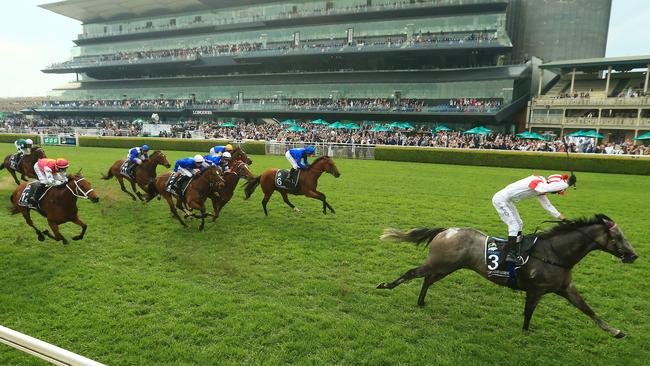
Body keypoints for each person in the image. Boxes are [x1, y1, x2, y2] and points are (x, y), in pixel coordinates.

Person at [492, 173, 577, 265]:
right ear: (553, 184)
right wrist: (567, 184)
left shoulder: (540, 187)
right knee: (514, 226)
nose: (554, 193)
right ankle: (511, 254)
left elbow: (547, 205)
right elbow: (545, 188)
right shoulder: (537, 182)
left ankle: (516, 248)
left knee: (519, 224)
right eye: (555, 191)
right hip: (500, 200)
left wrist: (564, 219)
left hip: (507, 201)